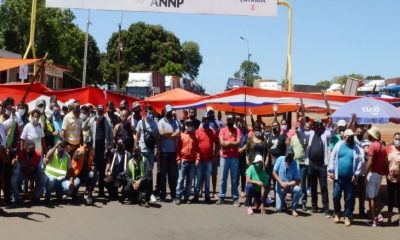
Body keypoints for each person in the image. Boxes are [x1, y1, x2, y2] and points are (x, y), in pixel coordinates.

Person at [328, 129, 364, 227]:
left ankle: (347, 216)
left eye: (353, 136)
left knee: (349, 198)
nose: (352, 138)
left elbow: (360, 161)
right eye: (350, 136)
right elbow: (332, 158)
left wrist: (356, 175)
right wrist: (330, 171)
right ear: (345, 137)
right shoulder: (338, 145)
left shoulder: (356, 148)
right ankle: (337, 213)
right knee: (336, 196)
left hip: (350, 179)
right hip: (338, 177)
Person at [305, 118, 333, 217]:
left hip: (322, 165)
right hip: (312, 164)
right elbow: (301, 132)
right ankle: (314, 207)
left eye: (319, 125)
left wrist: (330, 124)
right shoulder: (311, 133)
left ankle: (326, 209)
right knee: (312, 186)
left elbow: (333, 132)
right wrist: (301, 122)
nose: (318, 126)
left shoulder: (325, 133)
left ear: (322, 125)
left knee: (324, 187)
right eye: (316, 125)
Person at [217, 114, 241, 207]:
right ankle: (221, 197)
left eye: (232, 120)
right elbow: (222, 143)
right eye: (229, 120)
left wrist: (228, 144)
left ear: (233, 121)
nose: (230, 122)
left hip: (234, 157)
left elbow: (238, 142)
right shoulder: (222, 130)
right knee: (223, 178)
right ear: (227, 121)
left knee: (234, 179)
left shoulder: (237, 130)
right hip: (224, 157)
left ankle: (235, 198)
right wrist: (232, 144)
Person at [157, 104, 180, 201]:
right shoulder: (161, 121)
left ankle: (173, 195)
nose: (169, 113)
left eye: (171, 111)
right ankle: (163, 195)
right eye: (168, 111)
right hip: (163, 152)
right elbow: (160, 133)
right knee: (163, 174)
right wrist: (172, 134)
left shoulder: (175, 121)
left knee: (172, 175)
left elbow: (178, 133)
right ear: (165, 111)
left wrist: (167, 135)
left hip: (173, 152)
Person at [365, 126, 387, 227]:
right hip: (380, 175)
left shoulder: (373, 145)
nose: (368, 135)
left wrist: (365, 174)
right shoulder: (383, 146)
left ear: (372, 135)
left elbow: (369, 162)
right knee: (375, 195)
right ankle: (378, 216)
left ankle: (373, 220)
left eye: (370, 134)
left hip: (373, 174)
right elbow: (385, 162)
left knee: (371, 198)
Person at [194, 115, 219, 203]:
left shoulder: (212, 132)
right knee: (198, 179)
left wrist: (216, 153)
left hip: (209, 160)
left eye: (208, 120)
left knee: (207, 179)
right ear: (202, 121)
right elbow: (194, 145)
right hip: (200, 159)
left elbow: (217, 142)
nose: (207, 122)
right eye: (205, 120)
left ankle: (207, 197)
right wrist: (196, 157)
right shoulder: (197, 132)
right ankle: (196, 196)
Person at [175, 120, 200, 205]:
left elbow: (197, 149)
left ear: (192, 126)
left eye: (190, 125)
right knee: (181, 179)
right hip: (183, 161)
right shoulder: (181, 135)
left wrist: (197, 159)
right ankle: (178, 197)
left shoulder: (195, 136)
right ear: (185, 125)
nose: (189, 126)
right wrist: (178, 159)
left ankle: (186, 197)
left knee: (189, 180)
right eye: (187, 124)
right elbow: (178, 149)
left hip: (192, 162)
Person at [91, 105, 113, 197]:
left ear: (103, 112)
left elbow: (110, 136)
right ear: (96, 111)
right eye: (98, 111)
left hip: (103, 150)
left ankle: (101, 191)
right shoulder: (92, 120)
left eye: (101, 111)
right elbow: (87, 131)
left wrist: (109, 147)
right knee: (93, 172)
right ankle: (90, 190)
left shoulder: (107, 121)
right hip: (94, 150)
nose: (99, 113)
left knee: (102, 171)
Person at [10, 140, 41, 205]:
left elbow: (36, 168)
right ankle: (17, 198)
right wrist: (14, 162)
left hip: (33, 173)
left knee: (43, 177)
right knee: (13, 179)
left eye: (33, 148)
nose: (31, 150)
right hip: (23, 173)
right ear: (25, 148)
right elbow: (15, 163)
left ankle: (36, 197)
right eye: (30, 148)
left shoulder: (38, 154)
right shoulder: (20, 153)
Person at [273, 147, 302, 217]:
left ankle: (293, 208)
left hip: (290, 187)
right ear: (285, 154)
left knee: (298, 189)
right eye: (288, 154)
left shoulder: (296, 164)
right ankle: (284, 202)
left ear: (293, 155)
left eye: (291, 155)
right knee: (279, 209)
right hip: (280, 187)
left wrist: (287, 184)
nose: (289, 156)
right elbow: (274, 172)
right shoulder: (280, 159)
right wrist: (280, 182)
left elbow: (297, 180)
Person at [71, 137, 97, 205]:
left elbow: (93, 163)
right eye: (86, 144)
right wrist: (79, 155)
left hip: (86, 174)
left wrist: (93, 167)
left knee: (93, 175)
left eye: (90, 144)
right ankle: (74, 194)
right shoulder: (79, 150)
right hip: (77, 174)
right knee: (76, 183)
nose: (88, 146)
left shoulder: (92, 152)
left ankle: (88, 193)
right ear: (84, 144)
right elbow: (76, 157)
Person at [135, 106, 159, 173]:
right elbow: (137, 135)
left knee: (149, 171)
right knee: (141, 170)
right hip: (142, 150)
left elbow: (157, 137)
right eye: (149, 113)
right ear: (145, 113)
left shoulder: (154, 124)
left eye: (152, 113)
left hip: (151, 151)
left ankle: (150, 183)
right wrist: (136, 146)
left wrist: (158, 150)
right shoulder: (140, 122)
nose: (150, 114)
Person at [386, 132, 400, 225]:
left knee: (399, 199)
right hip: (390, 178)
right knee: (390, 198)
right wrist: (386, 174)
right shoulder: (388, 149)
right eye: (396, 138)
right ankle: (389, 218)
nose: (397, 141)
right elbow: (384, 163)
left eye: (399, 139)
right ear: (393, 139)